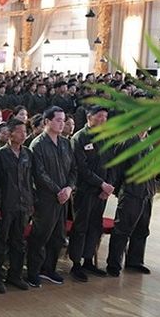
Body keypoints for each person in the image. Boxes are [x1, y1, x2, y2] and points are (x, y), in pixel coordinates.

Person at [27, 106, 77, 288]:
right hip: (46, 198)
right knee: (40, 236)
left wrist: (69, 188)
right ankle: (33, 272)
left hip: (63, 198)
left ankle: (49, 269)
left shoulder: (65, 143)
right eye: (58, 120)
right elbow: (39, 174)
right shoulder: (38, 144)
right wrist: (58, 191)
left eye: (63, 120)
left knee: (58, 236)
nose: (62, 124)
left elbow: (73, 169)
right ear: (47, 121)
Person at [69, 105, 114, 281]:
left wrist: (108, 187)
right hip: (85, 190)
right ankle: (76, 263)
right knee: (80, 226)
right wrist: (101, 184)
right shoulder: (79, 137)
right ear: (89, 117)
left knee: (95, 226)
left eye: (105, 117)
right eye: (100, 116)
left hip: (101, 192)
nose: (103, 120)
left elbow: (112, 163)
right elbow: (81, 168)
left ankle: (88, 260)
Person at [0, 118, 33, 292]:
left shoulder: (27, 153)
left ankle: (15, 275)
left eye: (25, 132)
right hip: (6, 205)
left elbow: (30, 180)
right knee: (0, 242)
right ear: (10, 134)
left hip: (23, 204)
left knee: (19, 242)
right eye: (20, 132)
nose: (24, 135)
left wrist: (31, 202)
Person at [106, 130, 155, 277]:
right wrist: (118, 189)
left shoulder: (148, 140)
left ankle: (135, 261)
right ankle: (114, 264)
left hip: (147, 191)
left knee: (142, 229)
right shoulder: (127, 141)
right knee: (122, 229)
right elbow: (117, 167)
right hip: (131, 191)